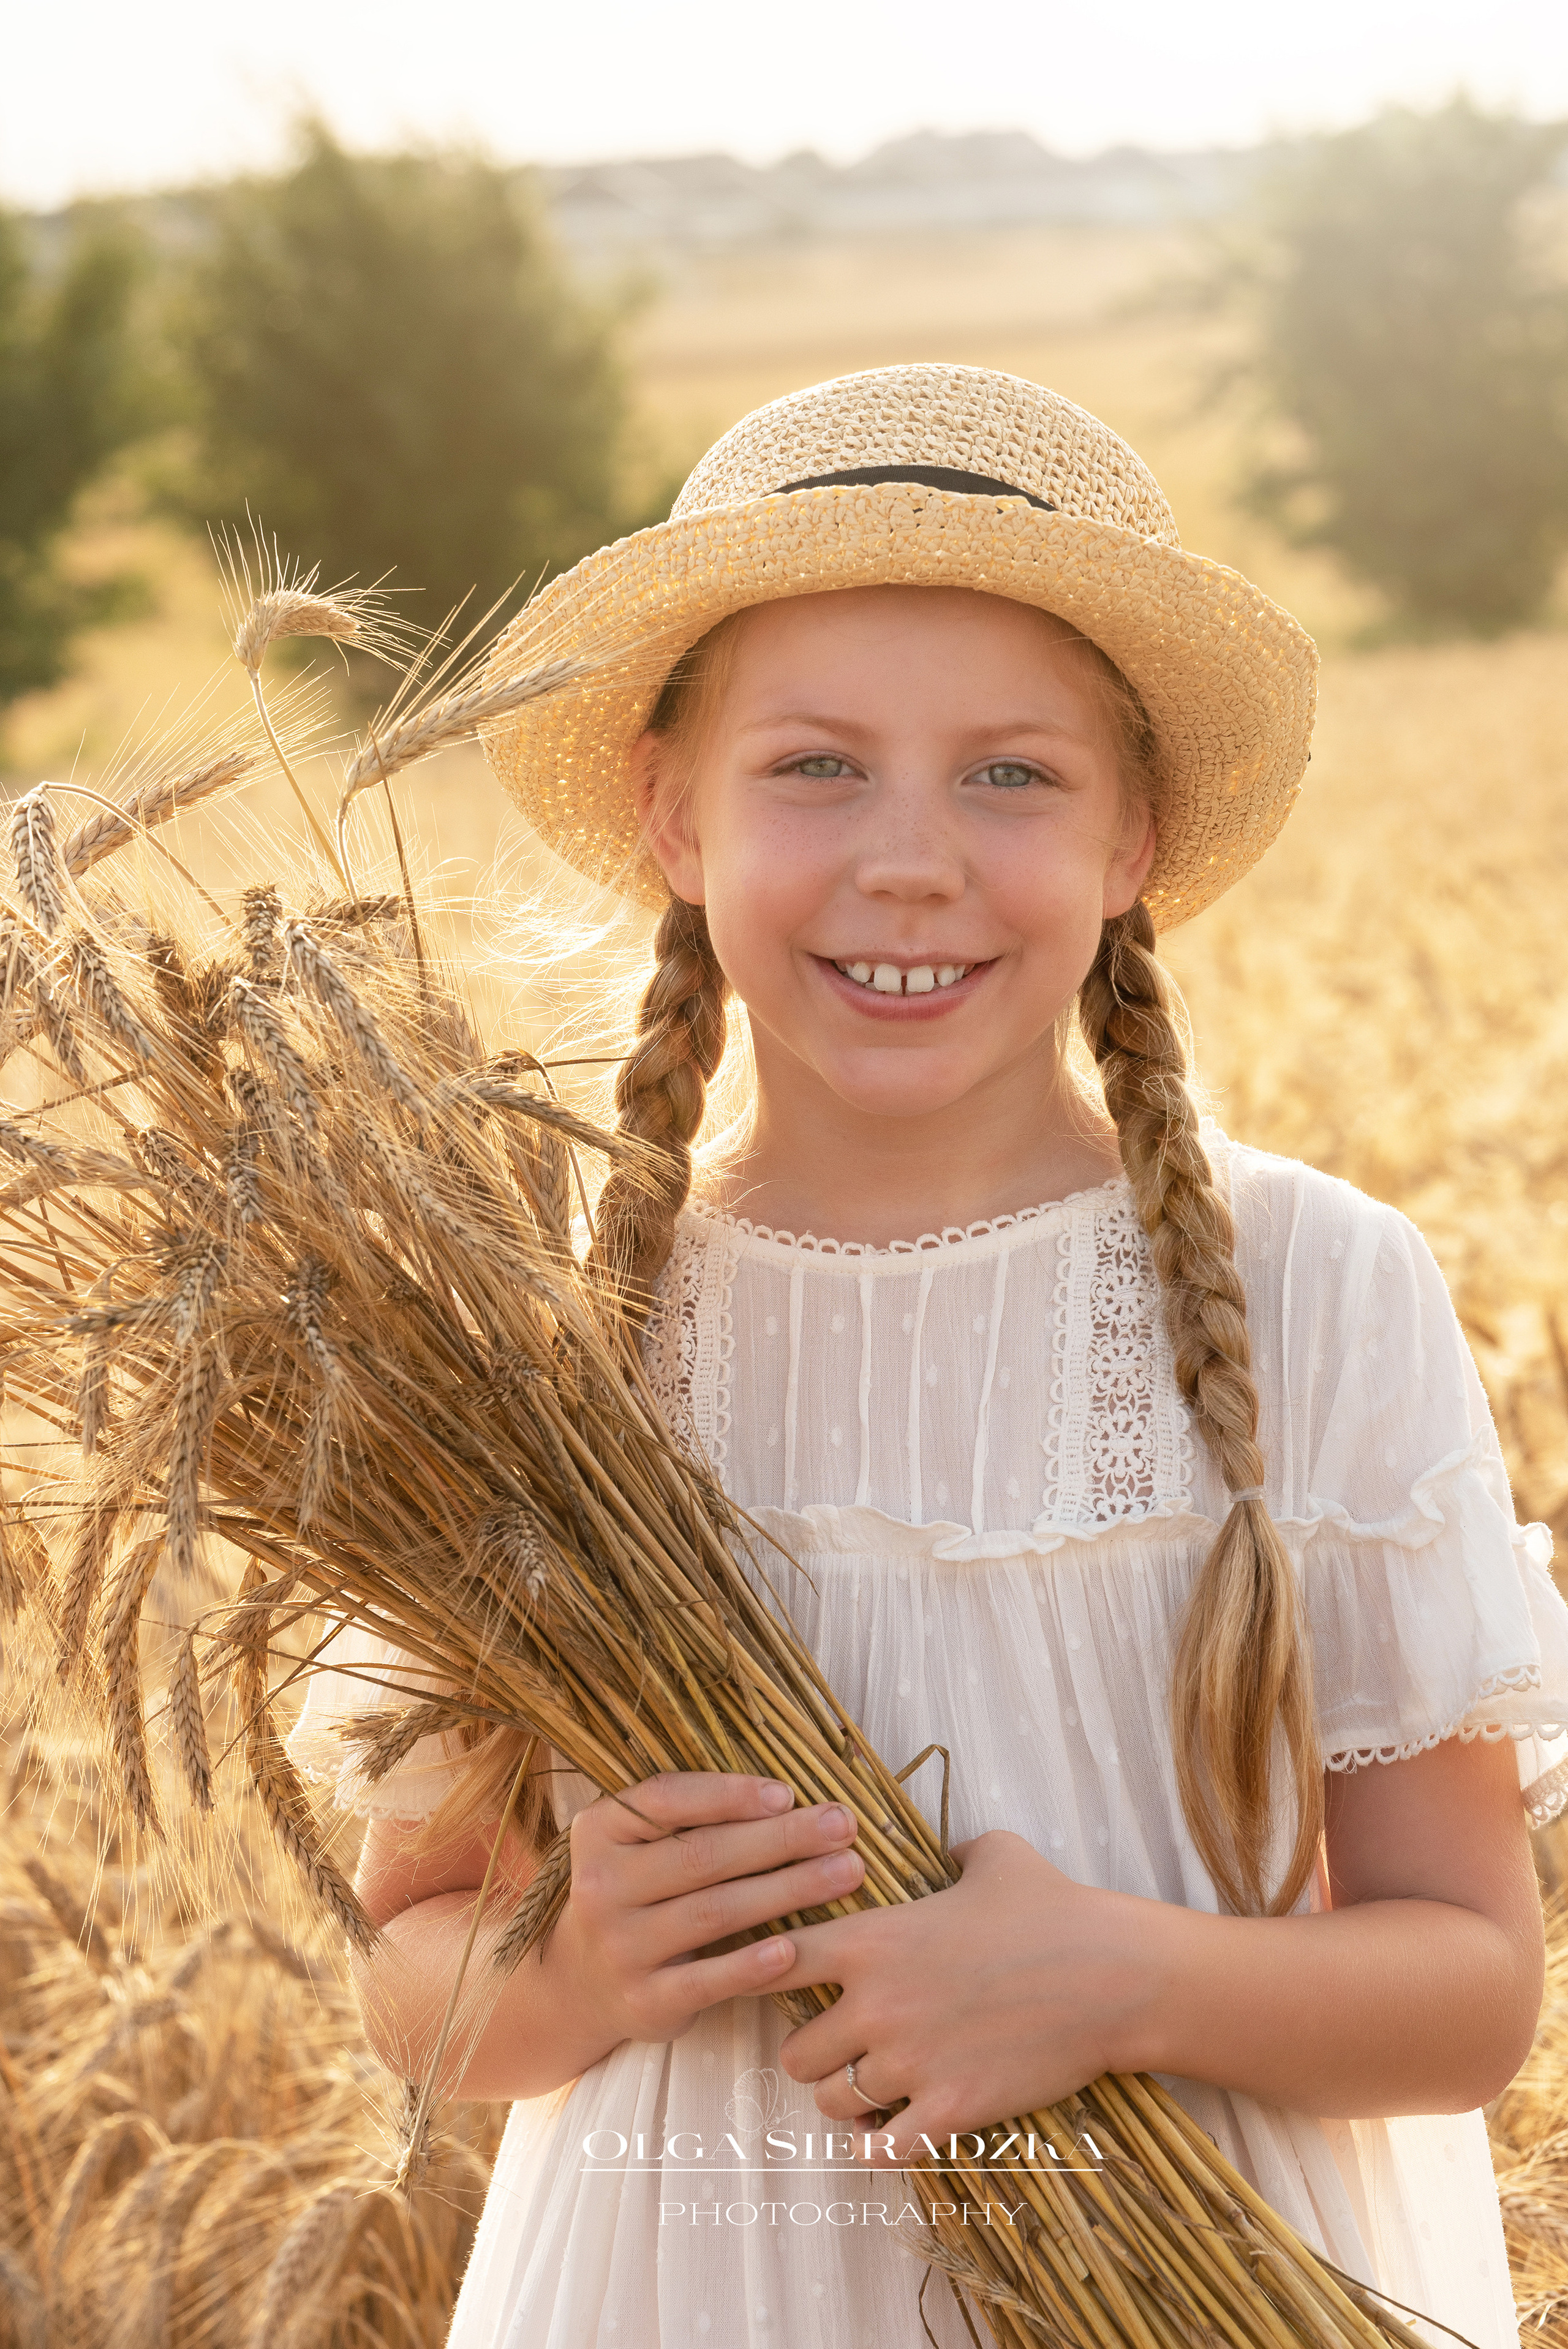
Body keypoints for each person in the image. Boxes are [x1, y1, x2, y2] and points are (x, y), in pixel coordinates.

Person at [288, 364, 1568, 2349]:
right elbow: (411, 1964)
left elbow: (1473, 1993)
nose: (911, 857)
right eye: (814, 767)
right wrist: (584, 1966)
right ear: (669, 815)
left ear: (1135, 832)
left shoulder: (1316, 1281)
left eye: (1011, 774)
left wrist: (1116, 1978)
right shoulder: (541, 1324)